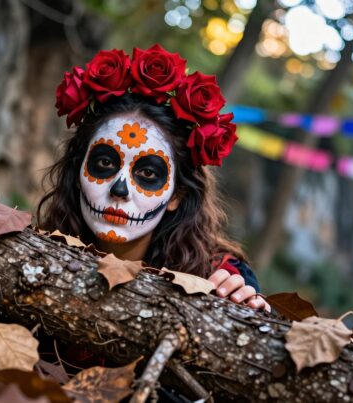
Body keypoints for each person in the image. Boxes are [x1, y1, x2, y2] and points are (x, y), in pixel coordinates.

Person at [38, 44, 269, 312]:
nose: (120, 189)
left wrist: (250, 311)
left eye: (148, 173)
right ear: (78, 172)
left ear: (176, 195)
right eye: (104, 163)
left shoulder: (220, 276)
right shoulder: (38, 251)